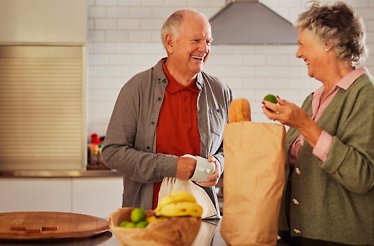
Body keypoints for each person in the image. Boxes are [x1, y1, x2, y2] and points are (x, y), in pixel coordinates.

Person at [262, 1, 374, 245]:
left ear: (327, 44)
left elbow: (361, 176)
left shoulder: (366, 95)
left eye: (302, 44)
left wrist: (304, 125)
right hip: (296, 235)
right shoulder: (312, 100)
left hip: (339, 239)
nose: (298, 53)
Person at [102, 9, 232, 214]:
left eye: (209, 42)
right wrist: (172, 166)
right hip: (147, 217)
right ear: (170, 43)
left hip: (202, 217)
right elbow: (112, 152)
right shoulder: (136, 88)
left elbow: (231, 147)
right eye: (196, 40)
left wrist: (219, 163)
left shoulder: (219, 91)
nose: (204, 49)